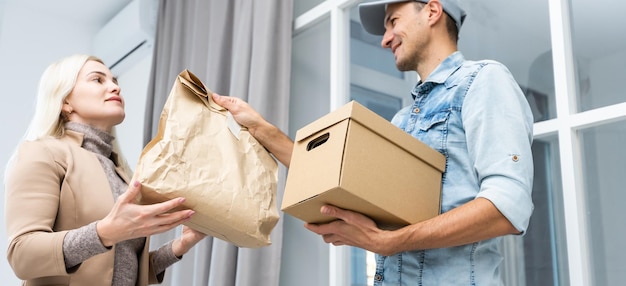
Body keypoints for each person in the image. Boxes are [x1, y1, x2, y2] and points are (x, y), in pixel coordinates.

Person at [213, 0, 534, 284]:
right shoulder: (402, 121)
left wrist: (392, 242)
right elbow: (336, 179)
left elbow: (508, 206)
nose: (384, 40)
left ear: (433, 11)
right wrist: (263, 131)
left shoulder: (483, 81)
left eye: (393, 21)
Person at [4, 54, 207, 285]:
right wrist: (103, 233)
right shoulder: (42, 152)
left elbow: (122, 267)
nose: (114, 87)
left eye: (114, 81)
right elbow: (22, 255)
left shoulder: (123, 173)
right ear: (65, 102)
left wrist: (179, 247)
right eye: (98, 80)